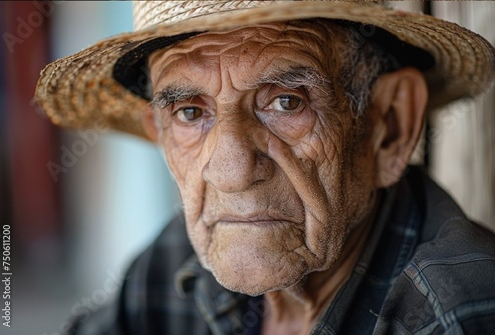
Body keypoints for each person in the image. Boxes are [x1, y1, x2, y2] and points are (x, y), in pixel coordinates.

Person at [35, 1, 495, 334]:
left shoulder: (456, 312)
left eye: (285, 102)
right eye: (191, 113)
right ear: (161, 137)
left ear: (389, 126)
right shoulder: (188, 251)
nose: (232, 173)